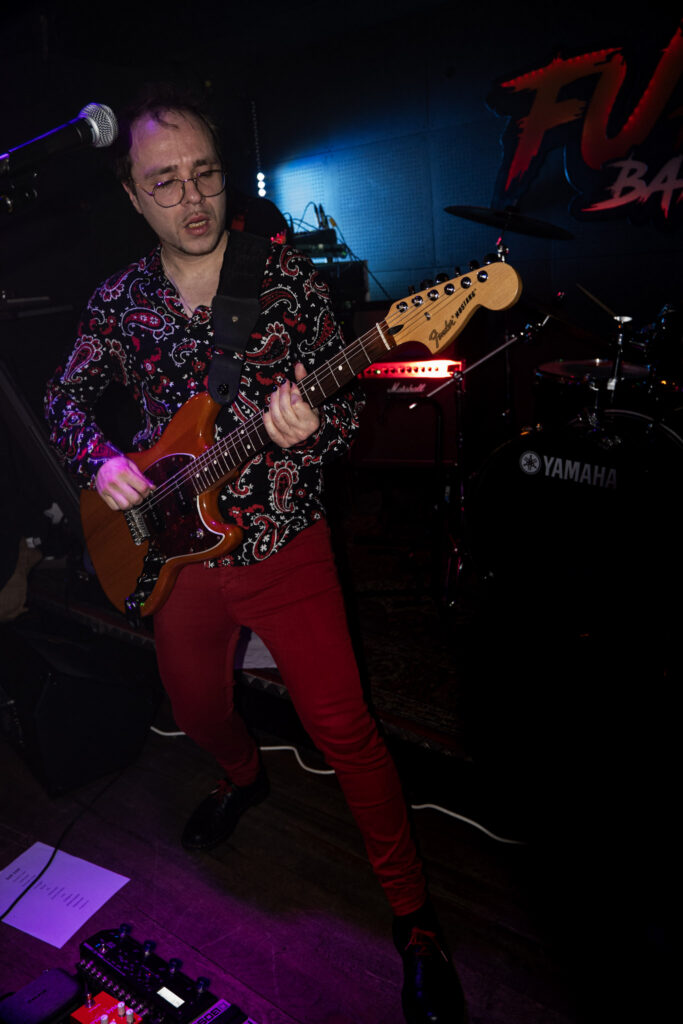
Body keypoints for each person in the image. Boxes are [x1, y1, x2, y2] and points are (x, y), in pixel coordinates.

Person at [44, 85, 465, 1024]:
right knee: (197, 711)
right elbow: (64, 398)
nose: (192, 198)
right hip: (176, 557)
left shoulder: (286, 279)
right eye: (165, 182)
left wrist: (313, 427)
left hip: (283, 541)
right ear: (132, 195)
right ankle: (242, 777)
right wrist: (102, 461)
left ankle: (414, 919)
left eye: (205, 174)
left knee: (345, 730)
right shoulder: (118, 301)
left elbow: (344, 417)